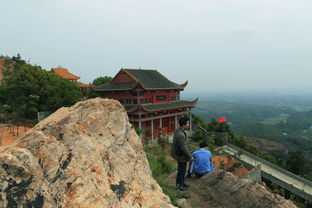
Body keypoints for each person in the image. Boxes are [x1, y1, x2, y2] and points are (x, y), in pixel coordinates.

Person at [171, 117, 192, 191]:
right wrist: (190, 157)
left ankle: (182, 183)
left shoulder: (179, 131)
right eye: (187, 123)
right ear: (183, 125)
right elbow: (184, 148)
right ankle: (179, 185)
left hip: (179, 154)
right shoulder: (180, 134)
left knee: (182, 170)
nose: (188, 125)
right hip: (180, 155)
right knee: (181, 171)